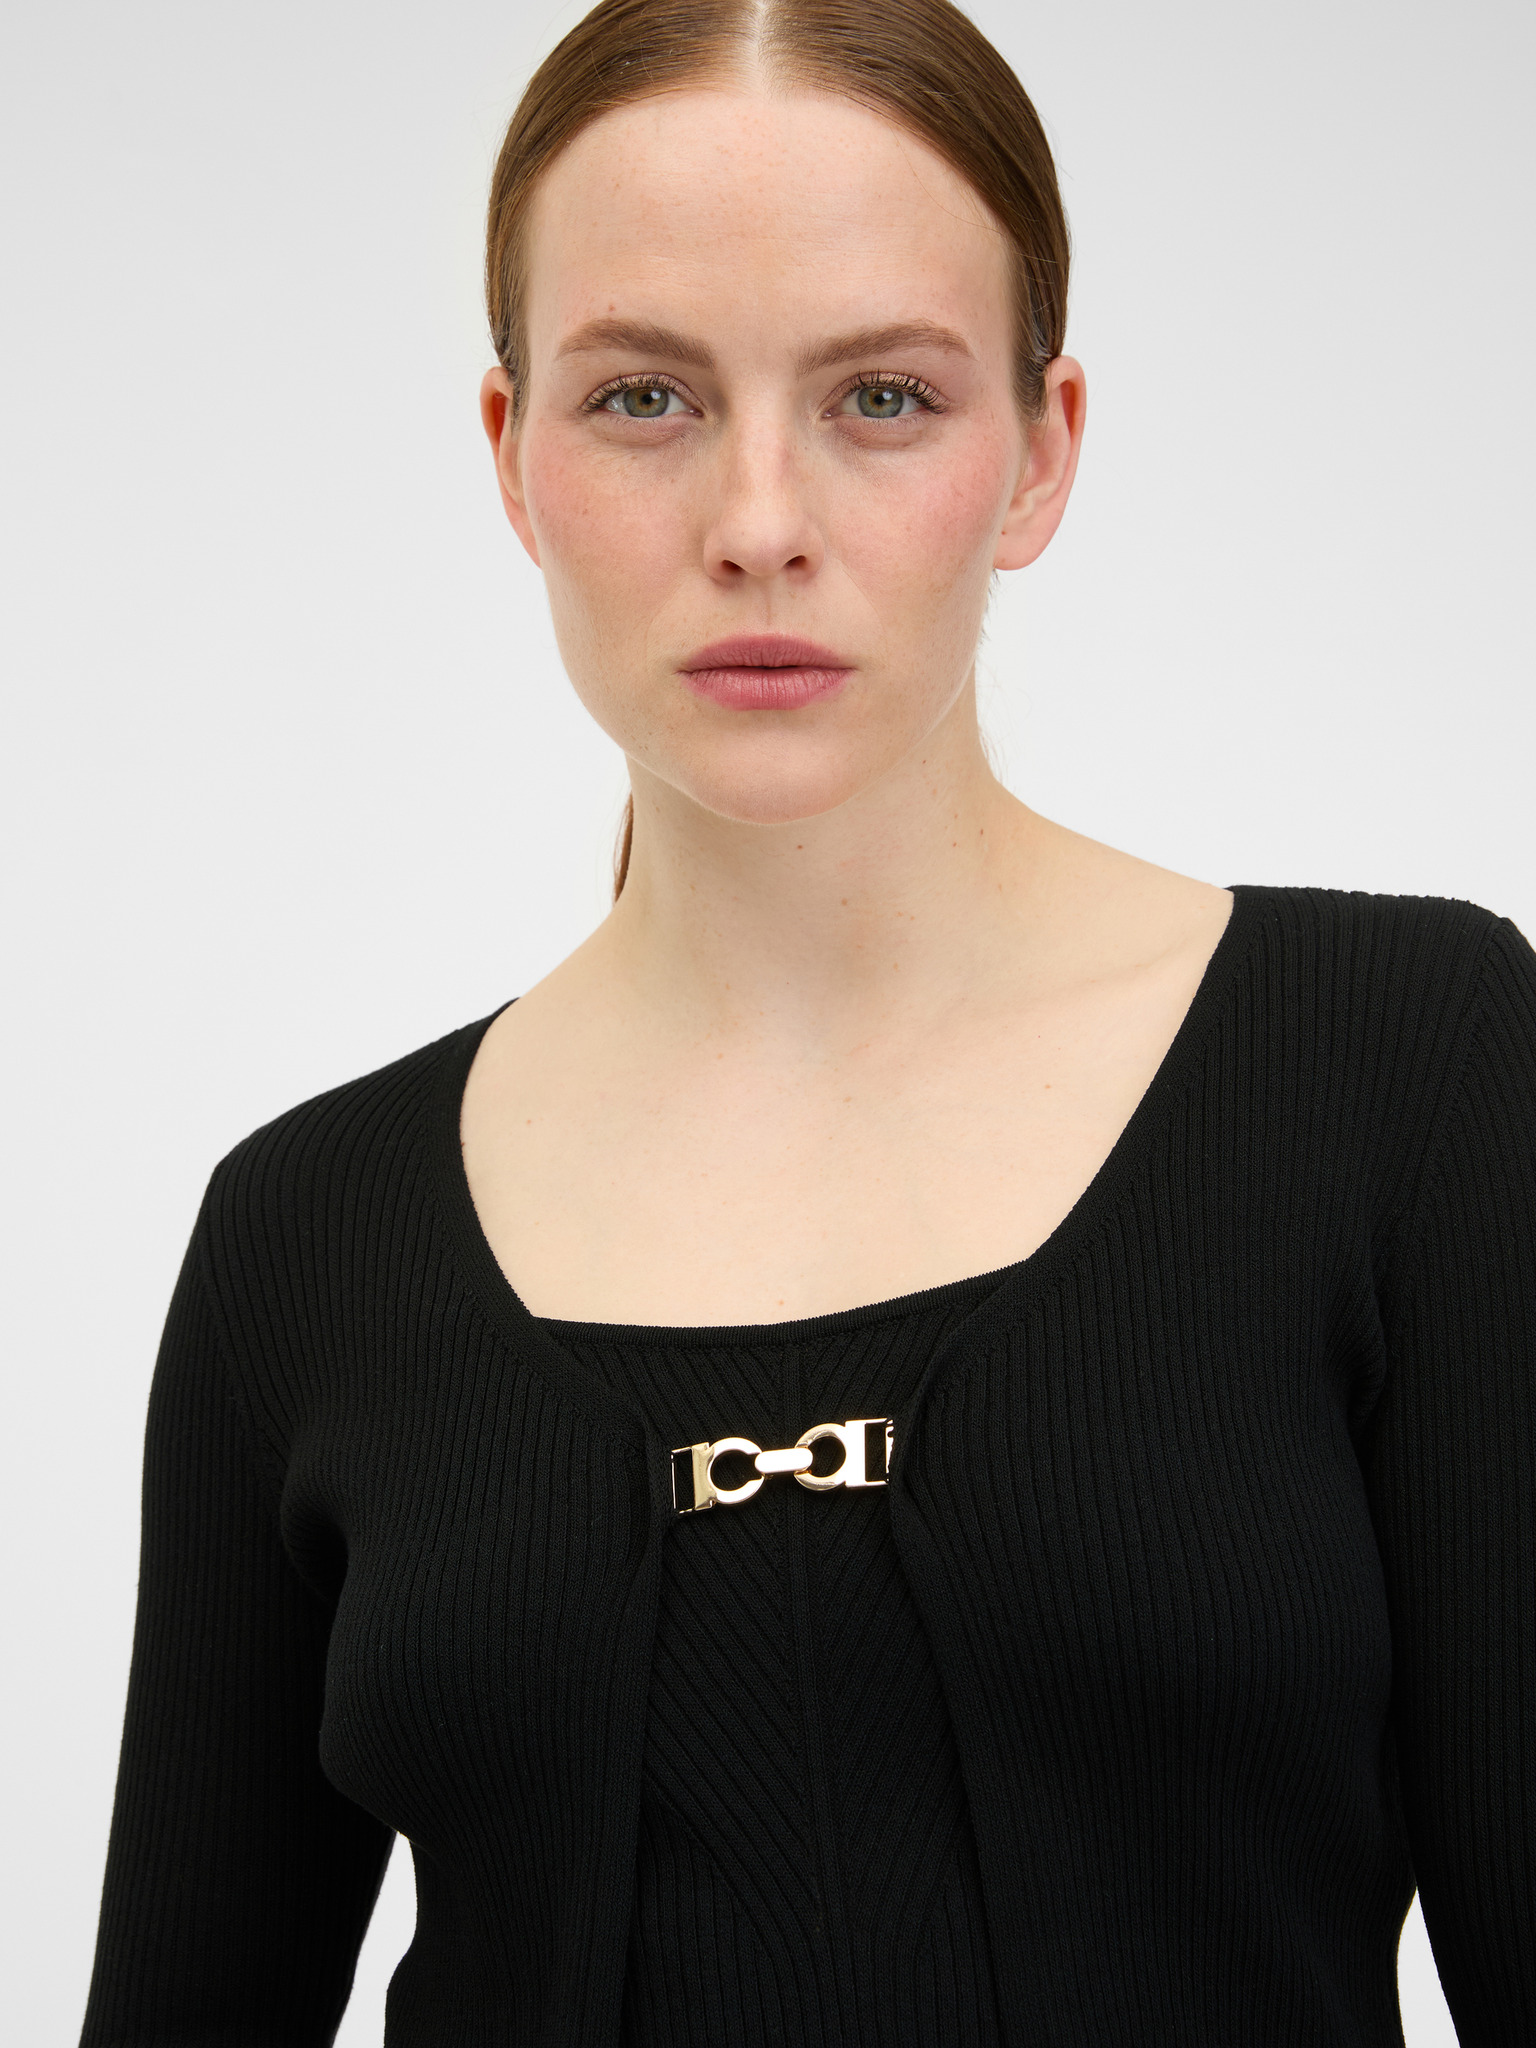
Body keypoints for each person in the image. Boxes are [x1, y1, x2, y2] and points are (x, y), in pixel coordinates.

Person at [79, 1, 1534, 2043]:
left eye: (883, 397)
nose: (758, 517)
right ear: (511, 457)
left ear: (1042, 449)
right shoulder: (303, 1237)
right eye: (644, 396)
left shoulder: (1414, 1071)